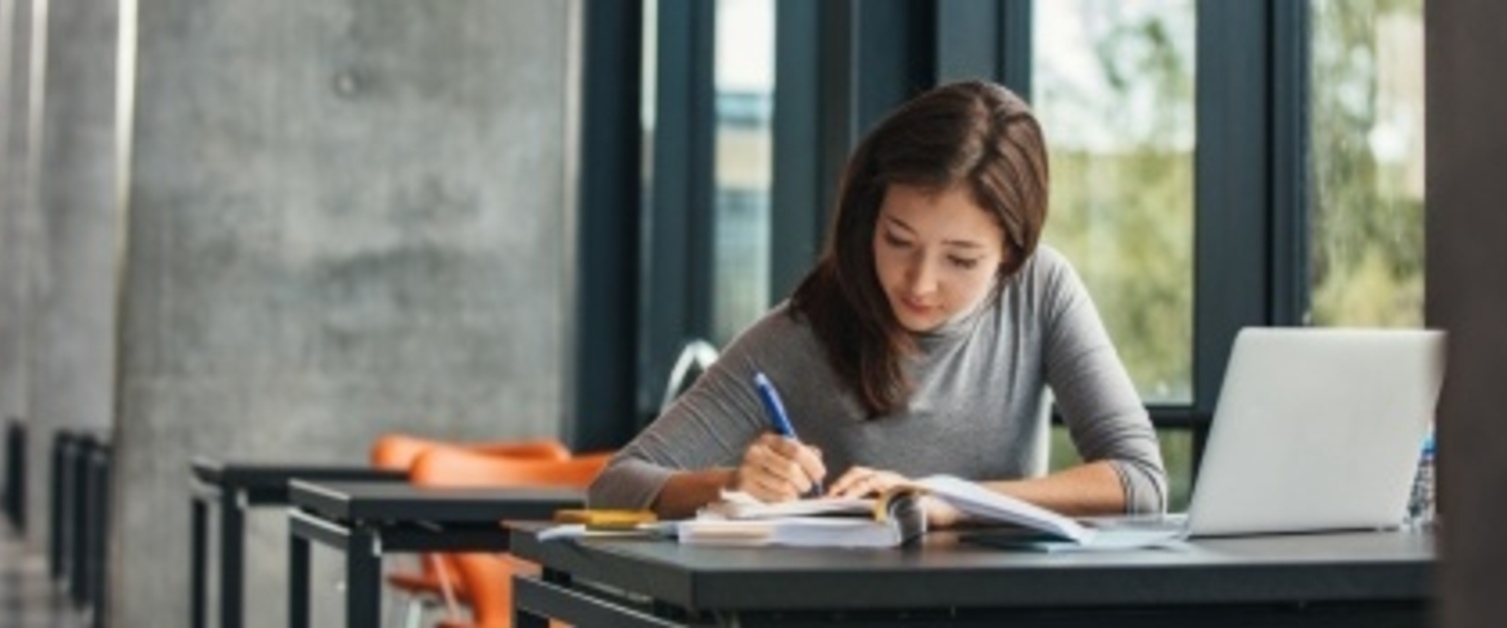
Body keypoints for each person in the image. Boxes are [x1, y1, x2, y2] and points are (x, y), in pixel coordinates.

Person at [589, 80, 1166, 526]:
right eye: (897, 240)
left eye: (960, 260)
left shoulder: (1041, 290)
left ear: (1010, 255)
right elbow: (615, 485)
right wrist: (732, 483)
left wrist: (946, 499)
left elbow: (1139, 480)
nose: (919, 282)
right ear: (869, 218)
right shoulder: (807, 331)